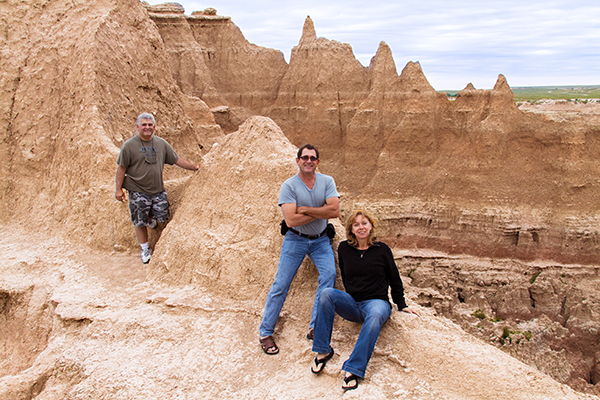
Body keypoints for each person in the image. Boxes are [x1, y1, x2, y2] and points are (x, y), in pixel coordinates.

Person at [309, 210, 419, 391]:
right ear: (351, 229)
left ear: (371, 227)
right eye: (356, 224)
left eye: (364, 223)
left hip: (377, 303)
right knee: (327, 293)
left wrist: (402, 304)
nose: (361, 227)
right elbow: (345, 276)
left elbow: (394, 277)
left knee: (375, 314)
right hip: (353, 303)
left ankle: (353, 368)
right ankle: (323, 351)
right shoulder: (344, 248)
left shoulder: (382, 249)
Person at [259, 144, 340, 355]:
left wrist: (304, 208)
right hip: (295, 240)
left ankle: (315, 326)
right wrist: (322, 211)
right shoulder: (289, 186)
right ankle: (266, 332)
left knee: (329, 276)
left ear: (318, 162)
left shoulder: (327, 181)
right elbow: (292, 220)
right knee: (281, 283)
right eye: (304, 157)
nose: (308, 161)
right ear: (297, 160)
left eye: (313, 158)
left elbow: (335, 211)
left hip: (321, 240)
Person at [115, 112, 200, 264]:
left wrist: (193, 167)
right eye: (144, 125)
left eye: (150, 125)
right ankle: (145, 249)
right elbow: (121, 169)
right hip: (137, 189)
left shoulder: (161, 144)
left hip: (157, 190)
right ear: (137, 127)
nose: (147, 127)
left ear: (154, 127)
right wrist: (118, 189)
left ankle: (150, 218)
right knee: (139, 221)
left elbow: (176, 160)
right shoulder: (129, 146)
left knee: (163, 215)